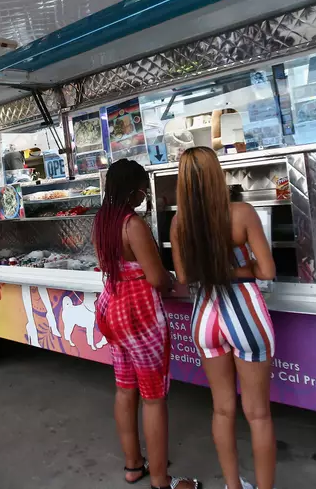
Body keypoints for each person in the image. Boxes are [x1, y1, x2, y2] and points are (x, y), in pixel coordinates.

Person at [171, 147, 277, 489]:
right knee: (258, 414)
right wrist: (238, 267)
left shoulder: (179, 223)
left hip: (205, 317)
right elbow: (268, 271)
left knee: (221, 410)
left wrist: (213, 268)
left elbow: (185, 278)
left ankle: (233, 486)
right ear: (218, 175)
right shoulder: (242, 213)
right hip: (244, 311)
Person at [93, 159, 202, 489]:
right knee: (153, 397)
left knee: (126, 388)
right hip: (138, 314)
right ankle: (160, 480)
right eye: (142, 188)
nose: (144, 195)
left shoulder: (102, 221)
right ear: (134, 189)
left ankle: (133, 464)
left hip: (110, 307)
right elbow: (156, 277)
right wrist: (173, 280)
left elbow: (108, 265)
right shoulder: (132, 224)